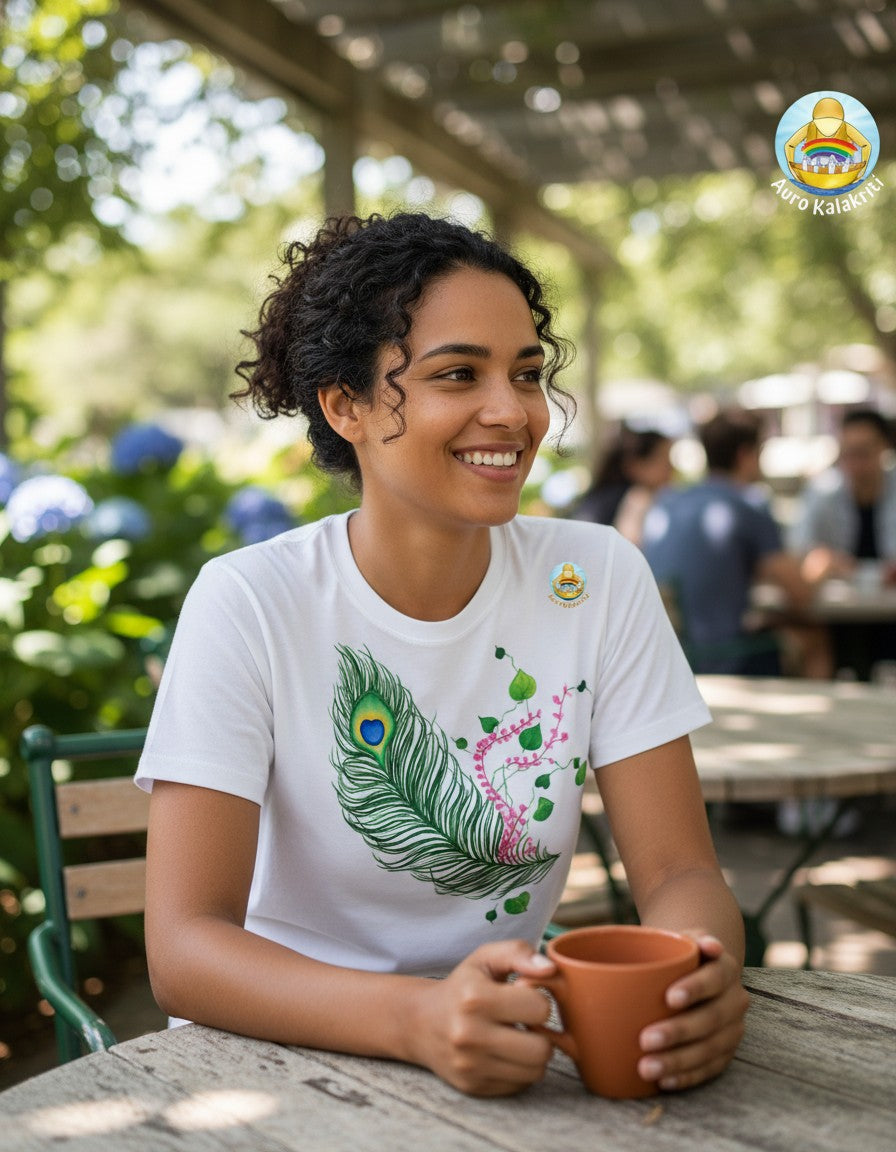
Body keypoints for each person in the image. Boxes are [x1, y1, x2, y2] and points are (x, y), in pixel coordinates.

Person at [137, 212, 747, 1099]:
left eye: (528, 374)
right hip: (273, 1068)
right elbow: (185, 949)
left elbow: (680, 871)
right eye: (458, 374)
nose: (513, 412)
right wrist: (416, 1020)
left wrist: (697, 974)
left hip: (508, 1057)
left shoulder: (597, 576)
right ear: (343, 405)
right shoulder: (251, 603)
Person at [642, 408, 813, 675]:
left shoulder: (667, 503)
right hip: (720, 656)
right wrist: (821, 570)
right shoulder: (749, 504)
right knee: (815, 640)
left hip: (664, 657)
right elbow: (800, 594)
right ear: (745, 454)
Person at [791, 407, 896, 679]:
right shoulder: (823, 492)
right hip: (839, 620)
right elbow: (799, 555)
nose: (856, 463)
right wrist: (823, 561)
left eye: (864, 452)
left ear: (884, 447)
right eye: (848, 453)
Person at [573, 426, 673, 547]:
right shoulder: (638, 497)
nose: (671, 468)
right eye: (664, 460)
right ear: (636, 465)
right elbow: (631, 547)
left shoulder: (604, 496)